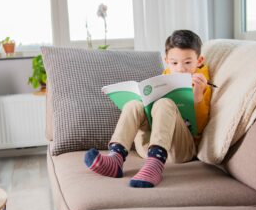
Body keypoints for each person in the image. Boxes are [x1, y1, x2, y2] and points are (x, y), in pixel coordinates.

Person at [84, 29, 212, 188]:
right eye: (174, 63)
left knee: (164, 103)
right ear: (166, 60)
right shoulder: (164, 78)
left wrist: (198, 97)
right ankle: (116, 157)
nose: (180, 68)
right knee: (134, 104)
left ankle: (155, 166)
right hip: (147, 147)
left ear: (199, 60)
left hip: (181, 150)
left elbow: (199, 128)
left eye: (187, 62)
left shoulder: (202, 82)